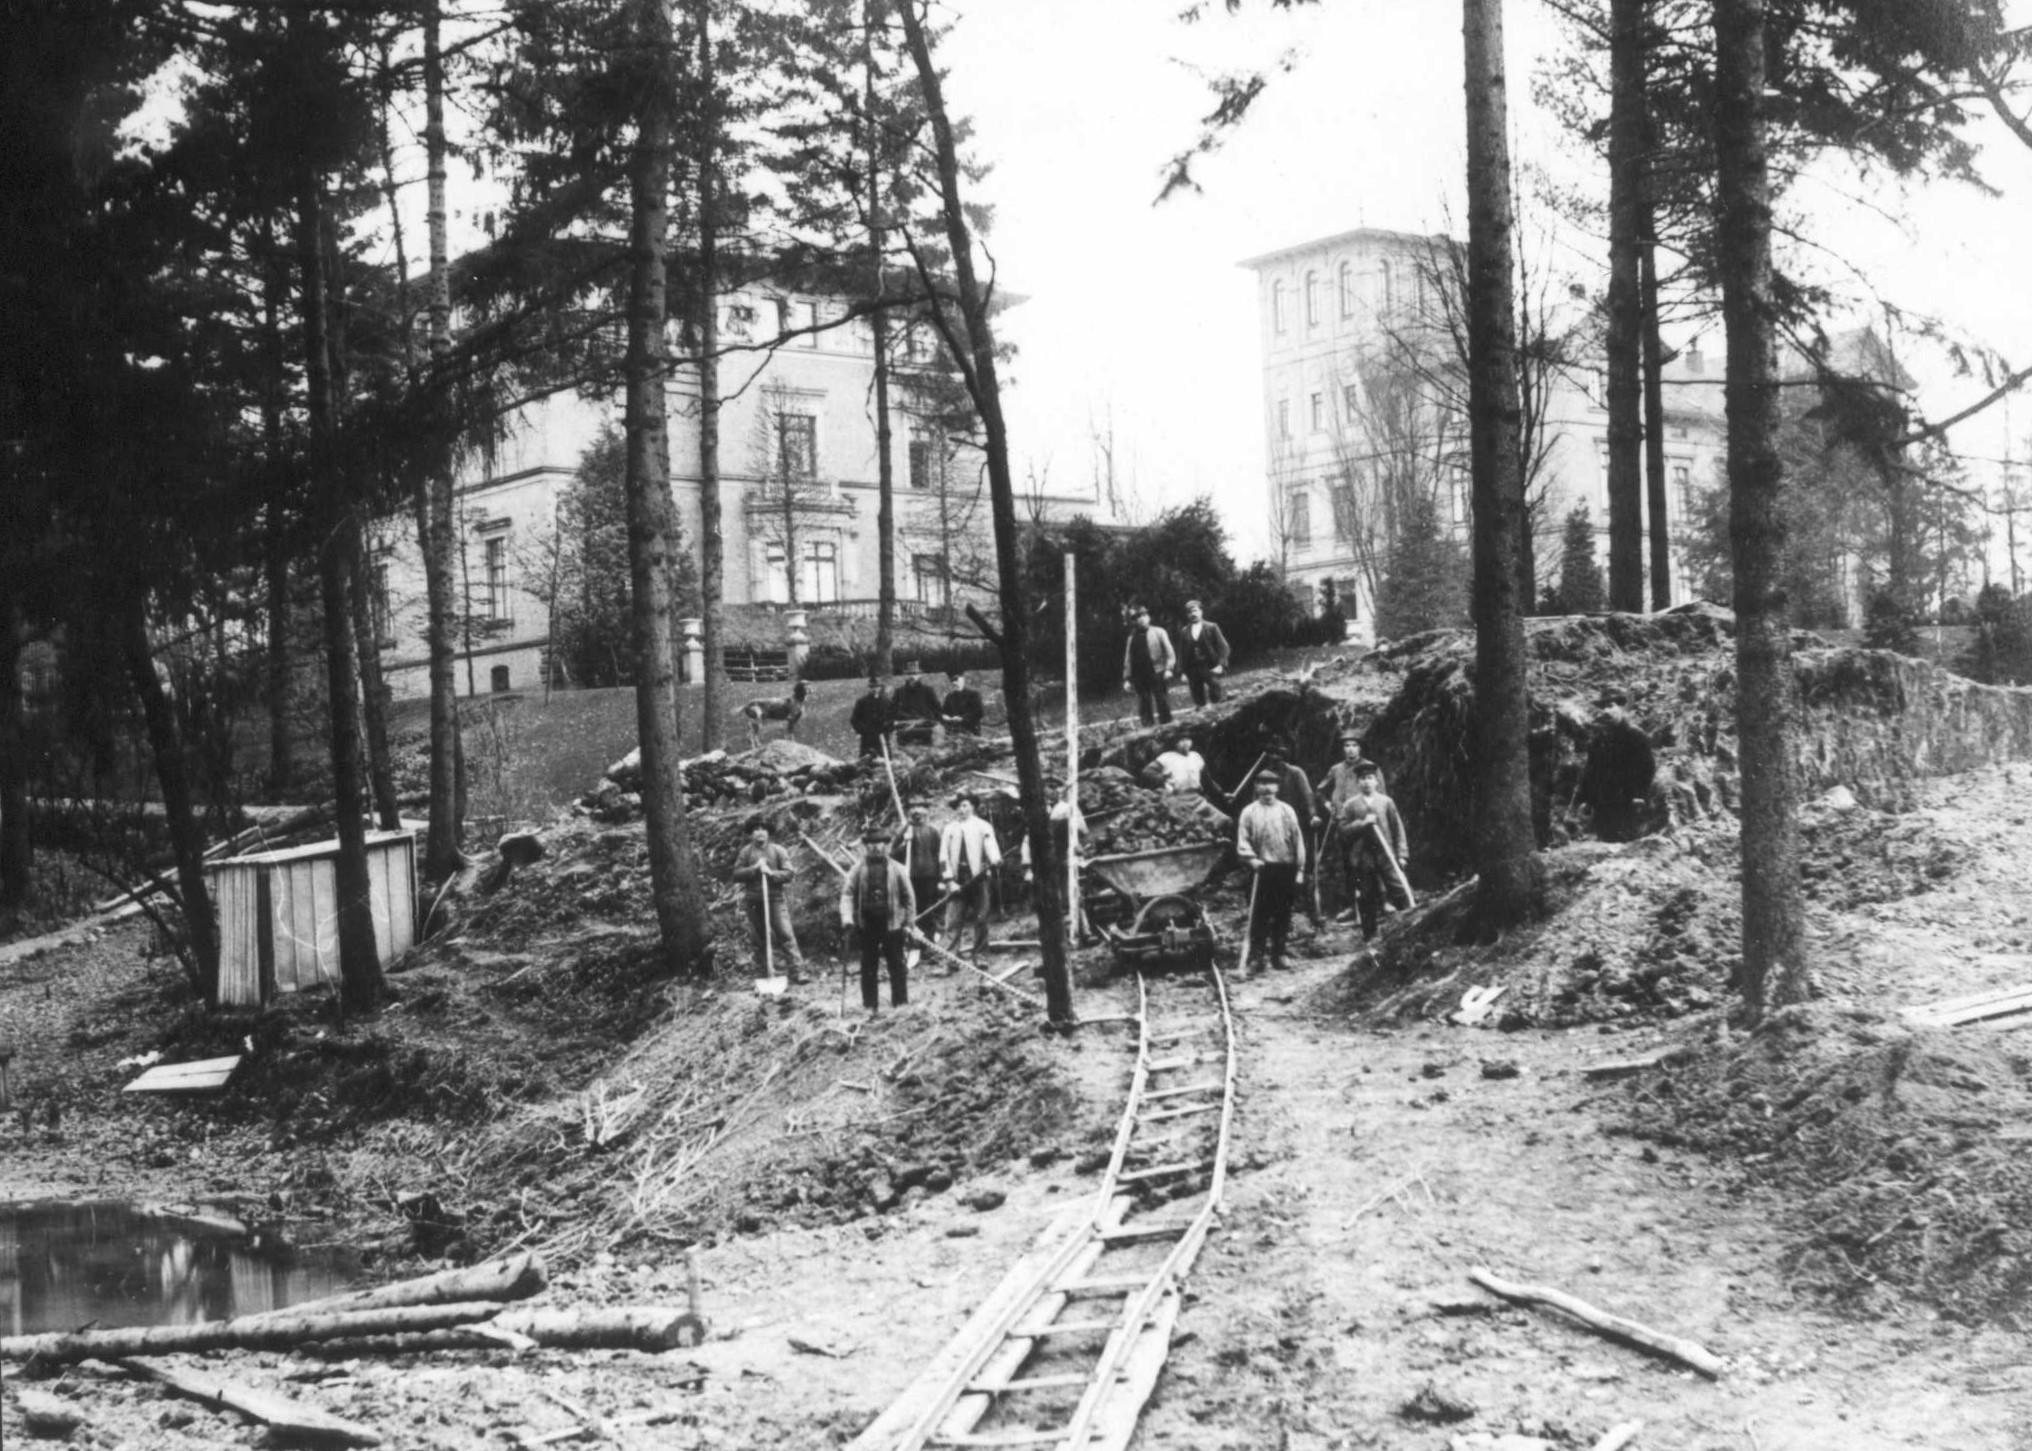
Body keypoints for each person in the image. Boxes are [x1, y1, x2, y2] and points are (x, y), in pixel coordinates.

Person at [1234, 771, 1307, 974]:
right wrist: (1251, 859)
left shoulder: (1287, 810)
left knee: (1283, 913)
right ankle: (1257, 958)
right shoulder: (1249, 812)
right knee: (1259, 914)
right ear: (1257, 787)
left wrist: (1300, 869)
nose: (1267, 789)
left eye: (1272, 784)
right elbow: (1243, 839)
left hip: (1285, 868)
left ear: (1278, 788)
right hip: (1261, 869)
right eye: (1263, 784)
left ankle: (1279, 954)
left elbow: (1297, 840)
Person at [1333, 758, 1412, 943]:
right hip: (1363, 857)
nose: (1366, 782)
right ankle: (1370, 935)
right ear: (1357, 782)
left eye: (1370, 778)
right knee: (1366, 895)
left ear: (1376, 781)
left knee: (1400, 889)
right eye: (1362, 779)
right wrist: (1362, 824)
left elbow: (1397, 829)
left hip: (1387, 854)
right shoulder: (1351, 805)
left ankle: (1409, 926)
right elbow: (1342, 831)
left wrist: (1401, 854)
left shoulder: (1386, 802)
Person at [841, 824, 915, 1011]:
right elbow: (847, 895)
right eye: (871, 844)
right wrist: (847, 917)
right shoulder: (857, 869)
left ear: (887, 845)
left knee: (897, 965)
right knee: (868, 967)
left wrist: (909, 923)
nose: (875, 847)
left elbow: (909, 898)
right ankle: (870, 1006)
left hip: (892, 925)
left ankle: (900, 1004)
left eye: (879, 843)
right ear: (866, 847)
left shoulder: (898, 869)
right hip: (867, 925)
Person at [1576, 693, 1656, 843]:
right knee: (1605, 844)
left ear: (1620, 707)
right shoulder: (1599, 739)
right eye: (1603, 707)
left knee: (1628, 845)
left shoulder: (1637, 736)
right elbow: (1591, 771)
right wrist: (1587, 799)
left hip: (1628, 802)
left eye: (1611, 705)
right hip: (1604, 803)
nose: (1607, 711)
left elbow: (1648, 770)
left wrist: (1640, 794)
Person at [731, 820, 803, 983]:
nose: (760, 832)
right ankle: (767, 972)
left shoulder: (778, 851)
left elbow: (789, 873)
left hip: (775, 899)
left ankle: (798, 971)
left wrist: (771, 873)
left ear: (768, 833)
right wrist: (754, 868)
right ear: (751, 834)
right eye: (756, 829)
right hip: (754, 900)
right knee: (759, 937)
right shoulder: (746, 852)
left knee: (785, 934)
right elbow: (736, 874)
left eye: (763, 829)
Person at [1263, 742, 1324, 932]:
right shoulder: (1265, 777)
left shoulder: (1295, 773)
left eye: (1279, 756)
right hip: (1273, 830)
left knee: (1304, 867)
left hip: (1297, 827)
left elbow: (1308, 796)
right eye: (1272, 756)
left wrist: (1313, 815)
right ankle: (1281, 914)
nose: (1275, 760)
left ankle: (1312, 911)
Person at [940, 792, 1002, 966]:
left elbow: (991, 847)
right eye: (959, 806)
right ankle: (951, 959)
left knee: (981, 919)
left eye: (965, 805)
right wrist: (949, 881)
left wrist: (994, 860)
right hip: (956, 882)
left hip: (978, 879)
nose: (961, 809)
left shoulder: (983, 826)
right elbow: (943, 857)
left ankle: (980, 955)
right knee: (953, 921)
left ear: (973, 807)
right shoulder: (949, 829)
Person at [891, 798, 945, 948]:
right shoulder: (904, 831)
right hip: (909, 878)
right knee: (911, 909)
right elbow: (892, 856)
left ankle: (928, 945)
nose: (916, 811)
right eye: (913, 808)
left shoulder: (933, 831)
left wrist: (941, 878)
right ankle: (914, 942)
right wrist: (904, 844)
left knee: (928, 910)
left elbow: (941, 855)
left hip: (930, 878)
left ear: (926, 811)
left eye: (920, 807)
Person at [1120, 603, 1176, 726]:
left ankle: (1167, 726)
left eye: (1144, 616)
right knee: (1144, 704)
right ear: (1133, 621)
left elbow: (1170, 653)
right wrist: (1127, 679)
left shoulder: (1159, 632)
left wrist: (1168, 669)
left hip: (1157, 672)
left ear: (1148, 617)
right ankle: (1147, 730)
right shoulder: (1131, 638)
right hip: (1139, 676)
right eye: (1137, 618)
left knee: (1162, 701)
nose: (1141, 619)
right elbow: (1128, 660)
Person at [1176, 599, 1232, 709]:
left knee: (1216, 693)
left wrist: (1220, 665)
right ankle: (1202, 718)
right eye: (1189, 612)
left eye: (1195, 611)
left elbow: (1224, 648)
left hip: (1210, 666)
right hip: (1193, 669)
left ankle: (1219, 715)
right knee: (1197, 697)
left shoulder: (1211, 627)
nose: (1193, 614)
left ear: (1201, 611)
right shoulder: (1185, 631)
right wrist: (1182, 672)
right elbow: (1182, 653)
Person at [892, 662, 941, 748]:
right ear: (906, 676)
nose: (912, 677)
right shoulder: (899, 692)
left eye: (915, 674)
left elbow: (937, 709)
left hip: (924, 729)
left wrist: (931, 722)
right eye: (910, 674)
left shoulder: (928, 690)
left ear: (919, 675)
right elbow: (892, 710)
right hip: (905, 730)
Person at [849, 675, 891, 760]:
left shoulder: (887, 702)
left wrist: (887, 728)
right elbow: (854, 719)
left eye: (877, 687)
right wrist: (864, 730)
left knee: (885, 760)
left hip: (882, 737)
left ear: (880, 688)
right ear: (869, 688)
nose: (875, 689)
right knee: (865, 761)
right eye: (873, 687)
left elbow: (892, 718)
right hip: (867, 739)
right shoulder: (862, 702)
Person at [941, 670, 985, 737]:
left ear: (963, 679)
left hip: (971, 732)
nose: (955, 683)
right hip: (953, 733)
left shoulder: (974, 694)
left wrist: (962, 718)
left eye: (957, 680)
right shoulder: (949, 697)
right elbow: (944, 712)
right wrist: (945, 717)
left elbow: (980, 712)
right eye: (952, 681)